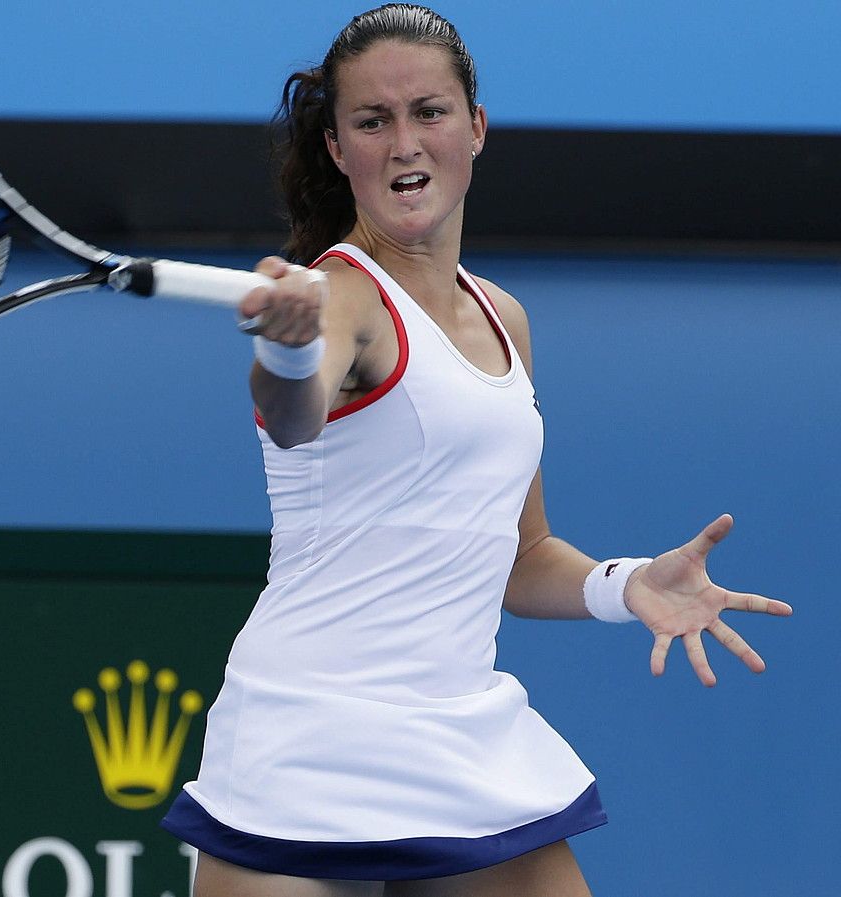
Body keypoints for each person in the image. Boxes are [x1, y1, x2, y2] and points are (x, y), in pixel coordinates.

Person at [160, 5, 793, 895]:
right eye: (373, 122)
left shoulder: (506, 320)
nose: (404, 142)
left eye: (430, 112)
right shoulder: (342, 298)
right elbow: (294, 416)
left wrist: (626, 586)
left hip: (457, 733)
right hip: (307, 741)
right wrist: (286, 350)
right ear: (339, 149)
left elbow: (521, 555)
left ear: (476, 128)